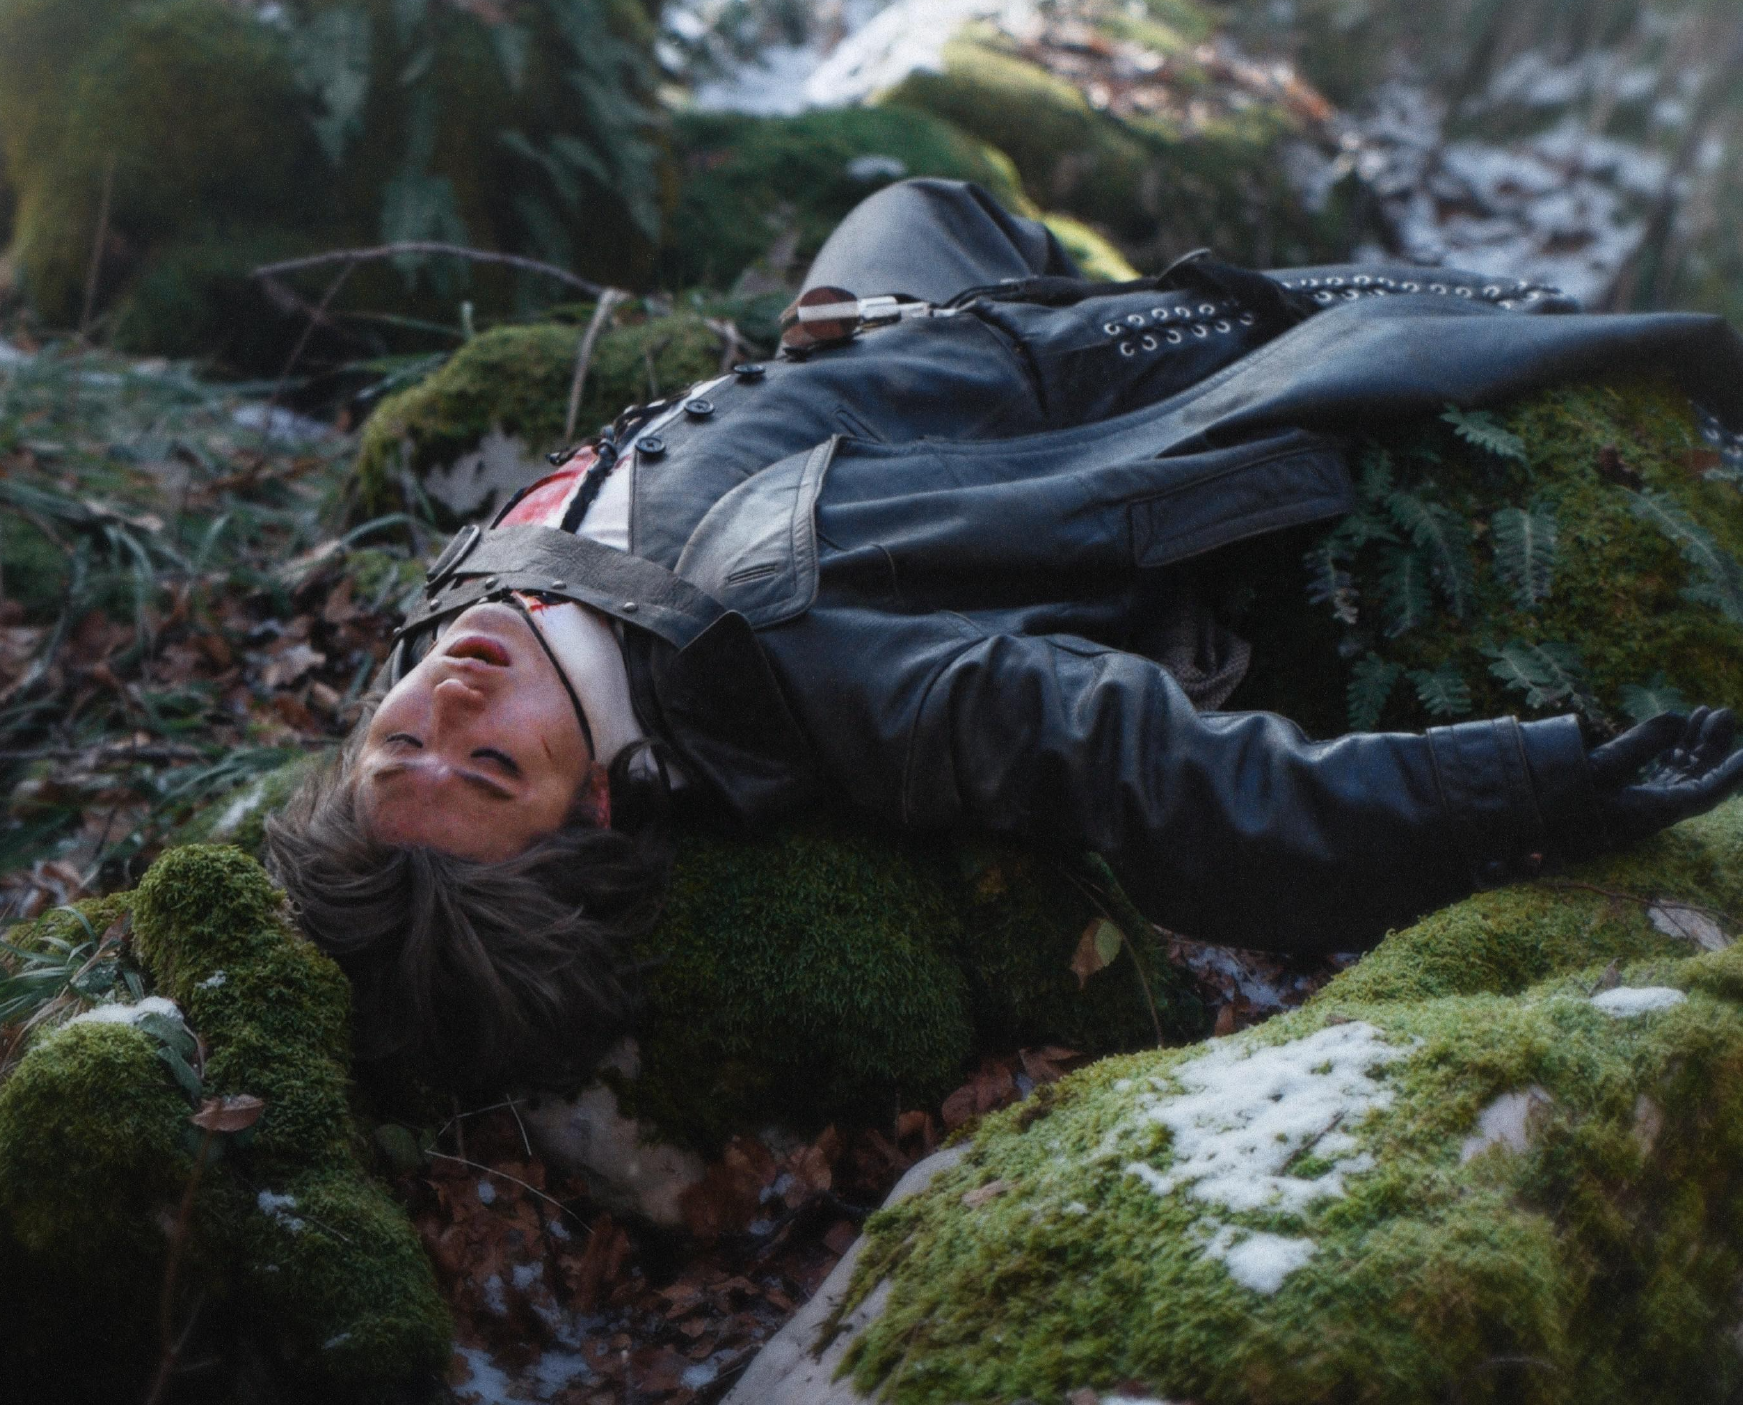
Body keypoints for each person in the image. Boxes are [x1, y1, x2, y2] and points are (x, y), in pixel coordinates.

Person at [266, 179, 1743, 1092]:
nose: (452, 700)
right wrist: (1522, 789)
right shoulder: (788, 674)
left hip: (879, 343)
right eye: (491, 768)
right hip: (1072, 394)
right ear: (594, 803)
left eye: (403, 743)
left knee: (920, 190)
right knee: (1515, 324)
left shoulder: (450, 641)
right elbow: (1157, 777)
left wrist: (831, 364)